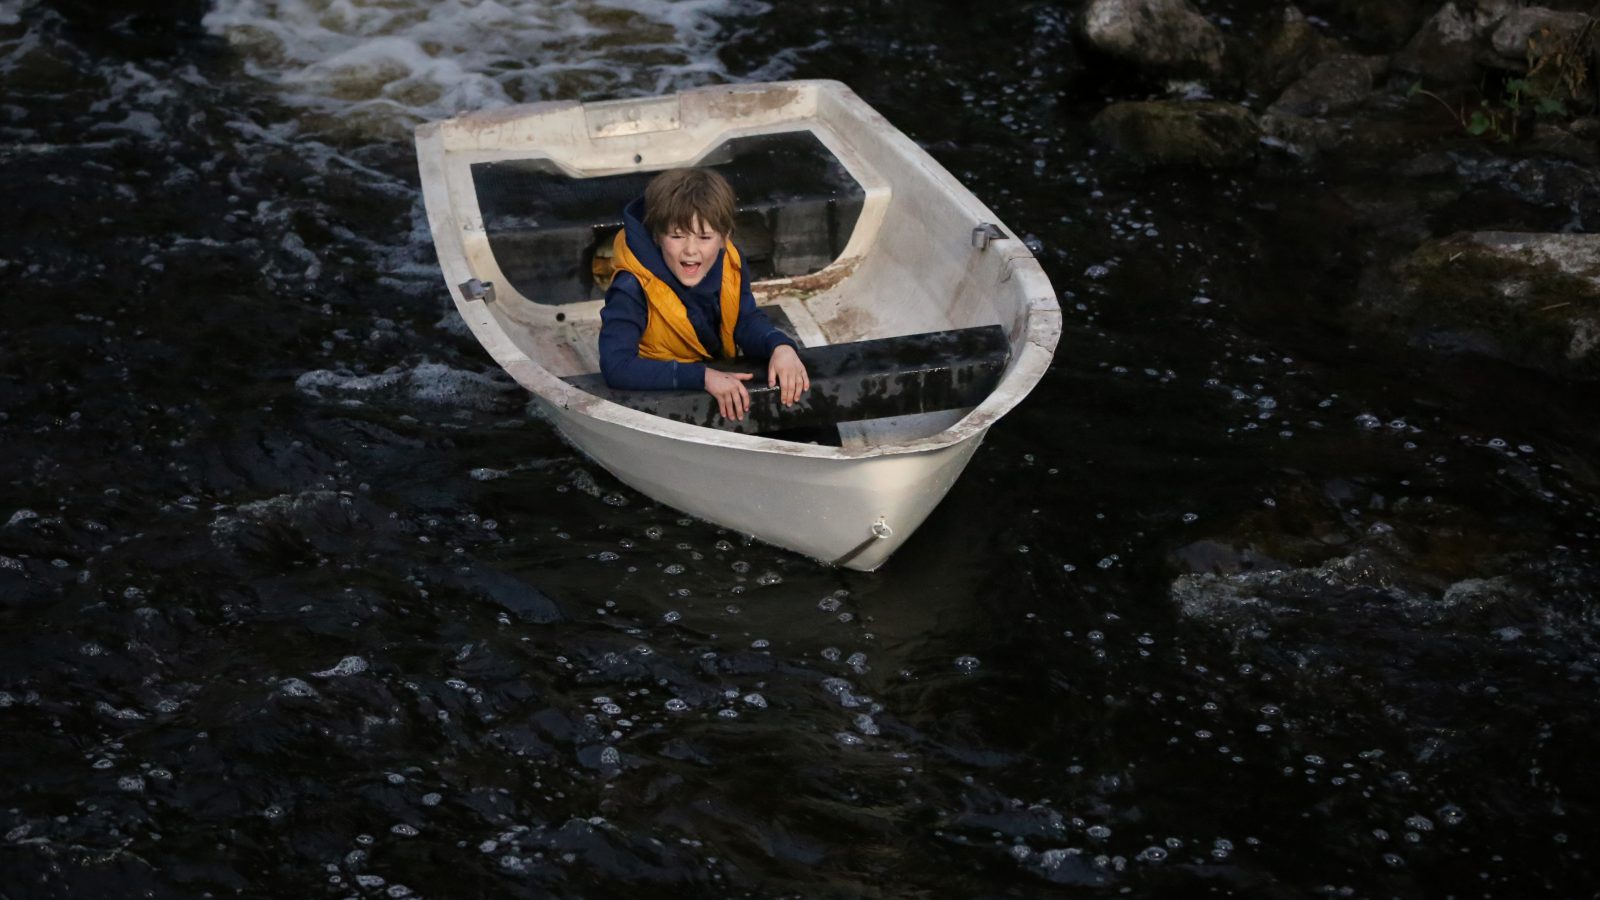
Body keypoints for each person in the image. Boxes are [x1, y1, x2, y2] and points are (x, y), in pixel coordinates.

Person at [598, 168, 809, 421]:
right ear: (657, 236)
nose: (690, 251)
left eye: (705, 237)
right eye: (676, 236)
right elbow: (617, 367)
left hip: (717, 376)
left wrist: (779, 345)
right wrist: (703, 376)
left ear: (724, 238)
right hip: (661, 398)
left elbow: (744, 319)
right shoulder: (632, 287)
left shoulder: (730, 261)